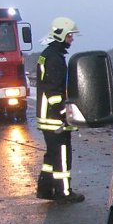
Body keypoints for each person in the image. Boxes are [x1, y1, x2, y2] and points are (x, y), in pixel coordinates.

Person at [35, 16, 84, 203]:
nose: (71, 39)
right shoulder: (54, 58)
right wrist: (64, 114)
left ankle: (45, 189)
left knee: (52, 155)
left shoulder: (48, 54)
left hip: (47, 117)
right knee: (62, 154)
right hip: (54, 118)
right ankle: (64, 193)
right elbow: (54, 90)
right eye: (70, 35)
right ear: (61, 34)